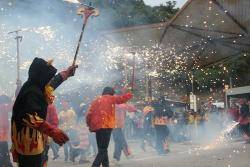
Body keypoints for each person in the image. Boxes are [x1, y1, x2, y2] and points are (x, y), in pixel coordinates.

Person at [11, 57, 77, 167]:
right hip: (28, 144)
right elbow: (29, 117)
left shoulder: (37, 85)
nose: (49, 81)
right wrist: (53, 131)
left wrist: (67, 73)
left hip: (35, 141)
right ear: (41, 78)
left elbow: (53, 83)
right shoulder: (31, 92)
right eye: (48, 78)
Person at [86, 87, 133, 167]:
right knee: (103, 150)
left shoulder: (96, 100)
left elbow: (89, 114)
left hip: (97, 127)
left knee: (102, 149)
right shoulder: (110, 98)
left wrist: (89, 124)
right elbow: (121, 99)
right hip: (106, 126)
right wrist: (130, 94)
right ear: (110, 93)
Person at [0, 95, 13, 167]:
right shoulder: (3, 107)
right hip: (2, 137)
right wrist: (12, 100)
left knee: (3, 153)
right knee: (4, 153)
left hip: (2, 136)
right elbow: (12, 106)